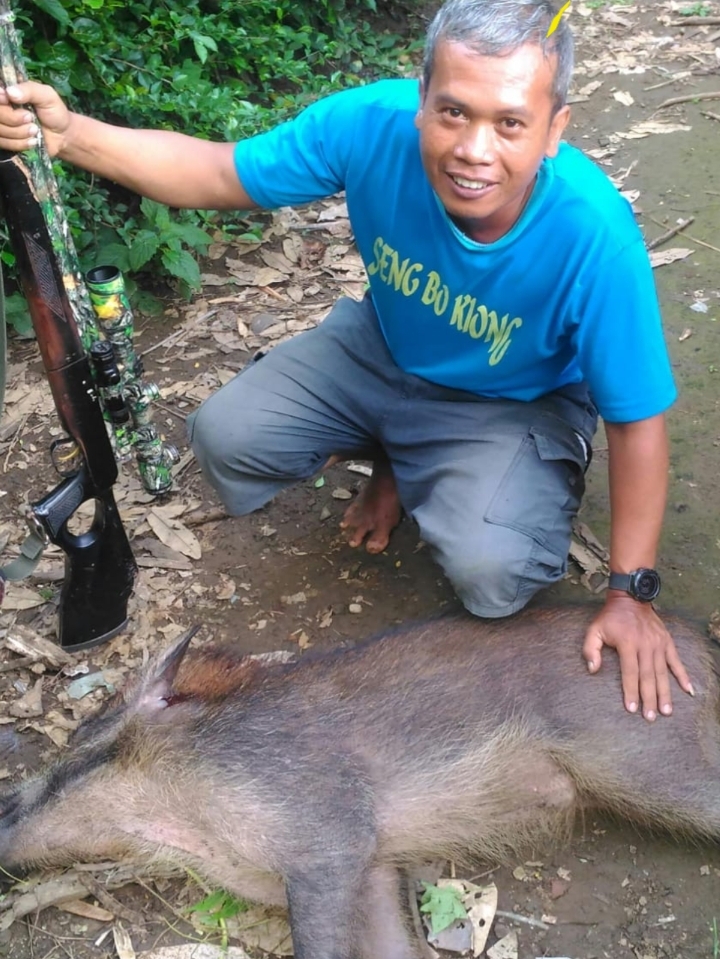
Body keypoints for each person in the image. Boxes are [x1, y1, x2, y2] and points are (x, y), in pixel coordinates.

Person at [0, 0, 693, 719]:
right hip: (385, 348)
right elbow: (219, 172)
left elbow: (638, 421)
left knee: (494, 575)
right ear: (421, 100)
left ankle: (457, 468)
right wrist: (70, 134)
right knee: (227, 435)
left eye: (510, 123)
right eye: (453, 112)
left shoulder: (594, 234)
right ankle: (399, 456)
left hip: (512, 399)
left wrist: (630, 593)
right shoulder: (368, 124)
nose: (474, 149)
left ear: (555, 130)